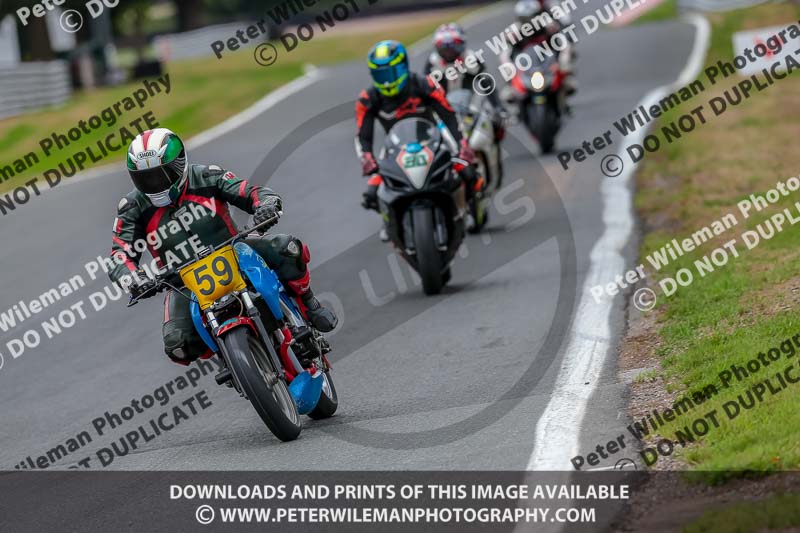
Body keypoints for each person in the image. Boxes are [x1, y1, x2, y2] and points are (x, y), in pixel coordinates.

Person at [108, 127, 337, 366]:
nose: (154, 184)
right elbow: (119, 254)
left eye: (161, 175)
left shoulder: (207, 176)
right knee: (177, 345)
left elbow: (248, 191)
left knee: (288, 247)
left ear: (179, 165)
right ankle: (227, 357)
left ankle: (310, 304)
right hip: (182, 280)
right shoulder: (132, 207)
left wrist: (266, 204)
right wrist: (133, 278)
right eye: (144, 178)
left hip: (236, 251)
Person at [355, 40, 480, 226]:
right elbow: (363, 135)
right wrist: (367, 158)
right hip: (395, 145)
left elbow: (449, 115)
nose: (387, 81)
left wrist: (462, 144)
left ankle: (470, 208)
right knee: (371, 194)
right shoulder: (367, 99)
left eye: (391, 73)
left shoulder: (425, 84)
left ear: (403, 67)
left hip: (433, 137)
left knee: (469, 173)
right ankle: (390, 224)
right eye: (381, 75)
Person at [424, 22, 508, 142]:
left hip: (471, 104)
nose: (449, 51)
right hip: (443, 106)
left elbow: (487, 82)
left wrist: (498, 107)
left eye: (453, 45)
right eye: (444, 46)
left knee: (495, 121)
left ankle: (494, 152)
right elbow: (425, 89)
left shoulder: (471, 58)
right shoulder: (433, 63)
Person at [507, 0, 577, 96]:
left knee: (565, 47)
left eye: (532, 17)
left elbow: (563, 39)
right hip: (527, 64)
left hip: (548, 60)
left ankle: (564, 77)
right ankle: (510, 86)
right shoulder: (514, 30)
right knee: (506, 62)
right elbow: (506, 53)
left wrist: (563, 62)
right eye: (525, 18)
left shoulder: (548, 23)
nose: (529, 21)